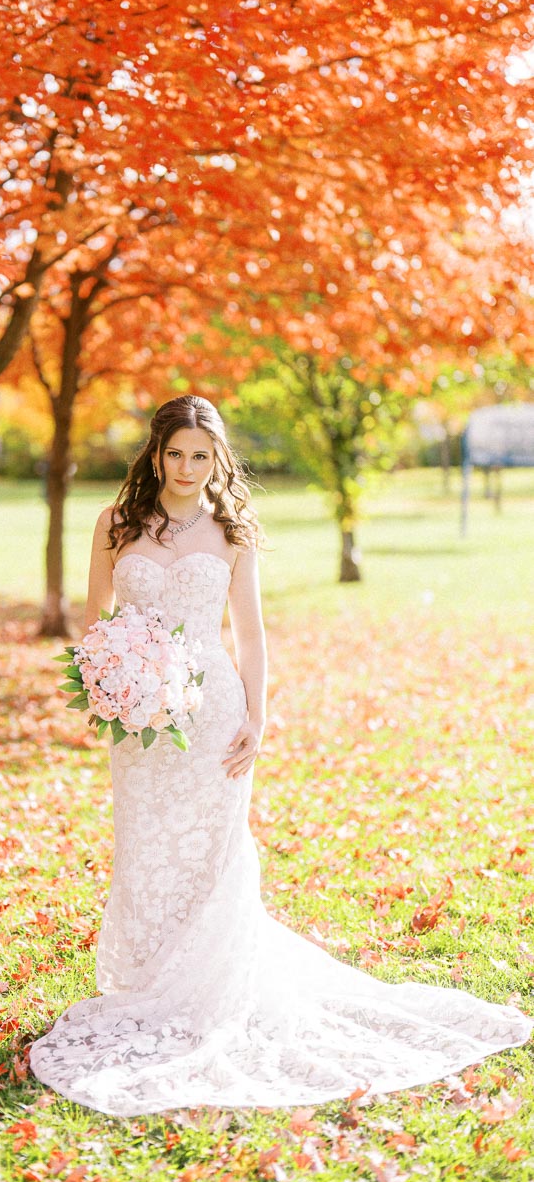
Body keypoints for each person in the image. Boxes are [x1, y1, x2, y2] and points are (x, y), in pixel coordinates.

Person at [28, 395, 532, 1118]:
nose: (186, 467)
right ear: (155, 454)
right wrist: (110, 682)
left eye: (201, 456)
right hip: (141, 718)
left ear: (218, 460)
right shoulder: (115, 525)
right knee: (145, 847)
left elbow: (252, 637)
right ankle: (149, 980)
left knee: (211, 852)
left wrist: (258, 718)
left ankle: (210, 985)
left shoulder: (232, 531)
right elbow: (94, 622)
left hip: (213, 714)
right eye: (175, 453)